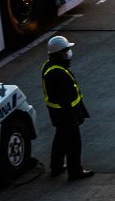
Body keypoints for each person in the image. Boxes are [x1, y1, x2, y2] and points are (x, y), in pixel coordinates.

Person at [40, 36, 93, 180]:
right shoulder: (58, 73)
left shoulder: (49, 66)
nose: (69, 53)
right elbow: (64, 99)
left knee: (60, 139)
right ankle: (75, 171)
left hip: (57, 114)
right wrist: (72, 118)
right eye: (67, 50)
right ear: (60, 53)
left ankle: (56, 166)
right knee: (73, 144)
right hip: (66, 114)